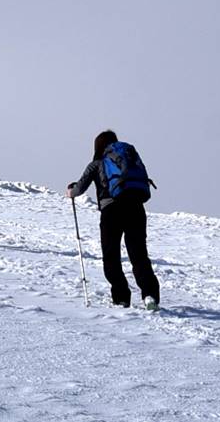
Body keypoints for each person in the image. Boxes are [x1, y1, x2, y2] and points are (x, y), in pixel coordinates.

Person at [68, 130, 161, 309]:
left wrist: (71, 191)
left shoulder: (96, 163)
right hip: (136, 207)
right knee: (139, 254)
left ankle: (121, 297)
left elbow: (79, 189)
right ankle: (150, 295)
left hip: (111, 211)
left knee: (111, 255)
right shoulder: (129, 158)